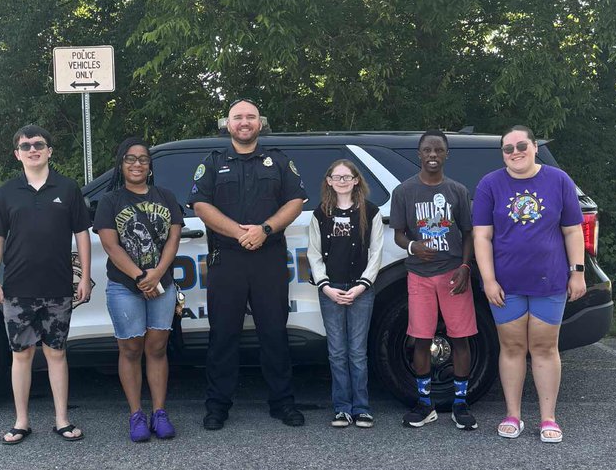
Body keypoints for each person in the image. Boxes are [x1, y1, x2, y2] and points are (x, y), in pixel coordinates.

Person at [190, 98, 307, 430]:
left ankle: (283, 403)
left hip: (268, 258)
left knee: (274, 332)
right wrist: (240, 234)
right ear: (228, 124)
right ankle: (217, 406)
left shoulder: (279, 162)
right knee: (223, 334)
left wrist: (264, 230)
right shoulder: (212, 163)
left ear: (260, 123)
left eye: (250, 117)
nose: (244, 122)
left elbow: (296, 202)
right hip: (227, 259)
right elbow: (200, 205)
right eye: (238, 117)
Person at [472, 125, 586, 443]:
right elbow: (481, 235)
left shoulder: (558, 180)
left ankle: (548, 419)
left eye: (521, 145)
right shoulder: (490, 184)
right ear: (503, 155)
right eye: (508, 148)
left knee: (545, 348)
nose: (515, 152)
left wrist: (577, 272)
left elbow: (573, 230)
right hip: (506, 285)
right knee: (512, 348)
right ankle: (513, 415)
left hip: (550, 281)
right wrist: (489, 279)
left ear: (535, 146)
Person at [0, 125, 92, 444]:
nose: (33, 149)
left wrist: (84, 277)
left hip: (58, 287)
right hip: (18, 289)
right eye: (26, 145)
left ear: (49, 151)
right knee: (22, 355)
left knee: (57, 353)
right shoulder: (6, 193)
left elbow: (83, 235)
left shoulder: (68, 188)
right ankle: (21, 421)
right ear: (18, 154)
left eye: (39, 144)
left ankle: (62, 419)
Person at [93, 137, 184, 443]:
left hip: (162, 283)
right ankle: (136, 415)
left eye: (143, 159)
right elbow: (110, 243)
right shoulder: (110, 201)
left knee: (157, 348)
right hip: (124, 285)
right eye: (130, 159)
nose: (137, 164)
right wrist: (139, 277)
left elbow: (173, 240)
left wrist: (156, 274)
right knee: (131, 350)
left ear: (149, 165)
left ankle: (159, 413)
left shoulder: (167, 197)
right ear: (121, 164)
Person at [389, 130, 479, 430]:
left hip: (453, 273)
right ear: (418, 153)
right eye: (427, 150)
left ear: (446, 154)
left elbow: (469, 232)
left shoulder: (457, 191)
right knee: (420, 339)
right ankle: (424, 403)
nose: (432, 155)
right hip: (420, 275)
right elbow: (399, 233)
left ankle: (460, 403)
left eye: (438, 150)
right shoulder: (404, 191)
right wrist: (414, 246)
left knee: (460, 338)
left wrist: (466, 267)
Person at [307, 159, 383, 428]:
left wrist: (362, 285)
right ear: (328, 181)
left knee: (357, 352)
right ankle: (342, 408)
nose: (341, 181)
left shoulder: (370, 213)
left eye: (347, 177)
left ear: (356, 180)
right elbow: (314, 254)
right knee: (337, 352)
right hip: (331, 290)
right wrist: (325, 286)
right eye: (336, 177)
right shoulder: (320, 215)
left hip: (360, 290)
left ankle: (362, 408)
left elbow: (376, 253)